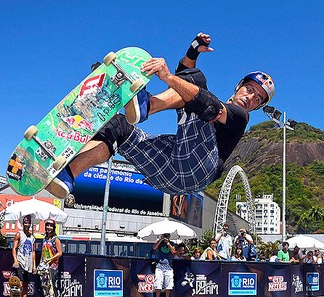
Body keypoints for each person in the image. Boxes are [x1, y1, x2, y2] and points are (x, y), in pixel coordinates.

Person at [45, 32, 274, 200]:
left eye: (257, 99)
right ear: (238, 87)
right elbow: (185, 75)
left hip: (199, 169)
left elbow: (209, 105)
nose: (250, 98)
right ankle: (67, 176)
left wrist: (166, 77)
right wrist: (193, 50)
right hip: (167, 174)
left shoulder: (240, 117)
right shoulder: (197, 106)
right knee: (120, 127)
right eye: (250, 90)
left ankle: (147, 104)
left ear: (256, 108)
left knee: (197, 89)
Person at [11, 214, 36, 297]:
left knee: (25, 286)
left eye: (28, 223)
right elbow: (14, 248)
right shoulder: (19, 234)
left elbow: (33, 252)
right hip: (21, 262)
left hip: (29, 264)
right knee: (19, 285)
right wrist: (15, 260)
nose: (27, 224)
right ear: (22, 223)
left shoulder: (32, 237)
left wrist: (34, 266)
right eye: (25, 222)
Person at [40, 220, 63, 297]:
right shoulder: (44, 239)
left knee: (52, 287)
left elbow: (60, 253)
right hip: (44, 266)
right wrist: (41, 263)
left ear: (54, 227)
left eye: (51, 226)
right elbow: (43, 252)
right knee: (45, 287)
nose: (49, 227)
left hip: (53, 266)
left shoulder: (56, 239)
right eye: (47, 225)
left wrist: (51, 259)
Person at [150, 233, 176, 297]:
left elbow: (173, 252)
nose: (166, 237)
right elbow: (154, 248)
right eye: (165, 236)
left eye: (167, 236)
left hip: (169, 267)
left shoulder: (171, 243)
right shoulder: (160, 243)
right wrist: (160, 240)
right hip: (159, 266)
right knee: (158, 283)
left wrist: (168, 243)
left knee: (169, 285)